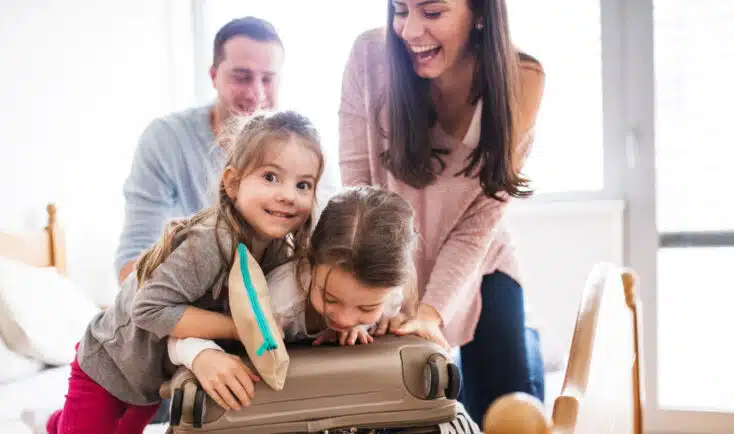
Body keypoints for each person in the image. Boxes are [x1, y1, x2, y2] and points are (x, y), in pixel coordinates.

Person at [26, 110, 324, 434]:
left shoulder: (279, 247)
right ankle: (54, 423)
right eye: (270, 177)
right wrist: (238, 328)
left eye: (303, 184)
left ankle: (55, 422)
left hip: (149, 380)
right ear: (233, 182)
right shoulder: (211, 241)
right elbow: (148, 309)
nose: (288, 195)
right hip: (108, 364)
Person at [337, 0, 546, 424]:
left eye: (432, 13)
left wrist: (431, 314)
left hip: (481, 261)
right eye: (400, 10)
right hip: (393, 259)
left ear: (481, 14)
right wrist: (386, 293)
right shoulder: (370, 58)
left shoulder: (521, 79)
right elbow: (358, 191)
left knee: (507, 410)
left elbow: (478, 226)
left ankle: (530, 344)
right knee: (409, 409)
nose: (410, 31)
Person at [166, 185, 421, 411]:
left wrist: (385, 322)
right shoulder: (280, 298)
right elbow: (177, 336)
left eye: (366, 307)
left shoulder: (389, 294)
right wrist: (201, 355)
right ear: (310, 260)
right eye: (330, 299)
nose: (344, 318)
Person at [114, 16, 285, 285]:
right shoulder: (165, 141)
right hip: (185, 302)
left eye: (268, 79)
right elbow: (131, 266)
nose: (257, 94)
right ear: (214, 77)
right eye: (242, 77)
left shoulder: (301, 147)